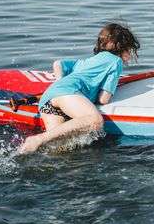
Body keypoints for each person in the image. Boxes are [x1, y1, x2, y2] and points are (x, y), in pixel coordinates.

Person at [18, 22, 140, 154]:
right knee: (95, 121)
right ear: (121, 47)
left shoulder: (87, 62)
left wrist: (60, 83)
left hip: (49, 97)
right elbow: (104, 99)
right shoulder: (116, 62)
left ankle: (25, 149)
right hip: (68, 93)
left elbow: (58, 64)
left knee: (59, 148)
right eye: (129, 50)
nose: (130, 55)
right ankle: (37, 140)